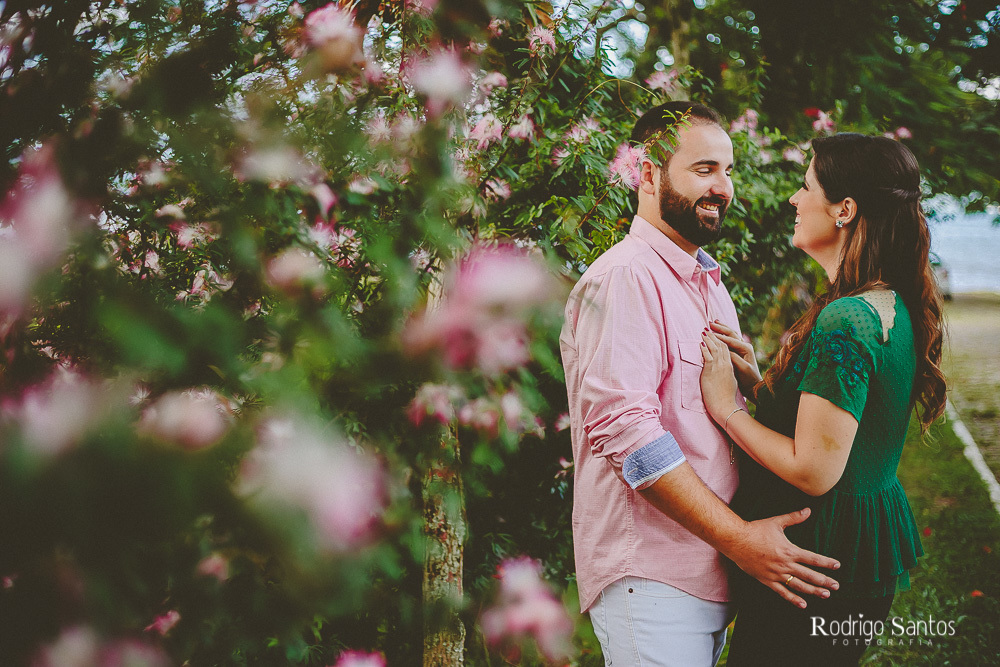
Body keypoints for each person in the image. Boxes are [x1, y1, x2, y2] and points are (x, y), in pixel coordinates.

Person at [559, 101, 841, 666]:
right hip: (652, 577)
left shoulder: (707, 282)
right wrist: (739, 538)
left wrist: (756, 388)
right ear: (648, 175)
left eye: (728, 171)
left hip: (708, 571)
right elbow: (626, 433)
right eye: (704, 169)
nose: (722, 188)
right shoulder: (626, 277)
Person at [699, 133, 946, 665]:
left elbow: (814, 468)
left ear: (844, 210)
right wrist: (759, 385)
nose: (794, 198)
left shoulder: (847, 318)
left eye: (806, 186)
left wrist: (726, 408)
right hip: (855, 552)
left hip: (814, 559)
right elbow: (851, 418)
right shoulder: (889, 303)